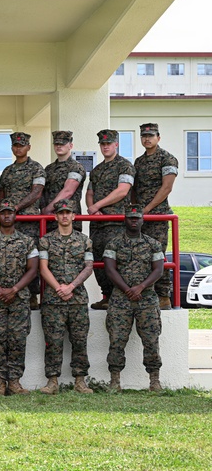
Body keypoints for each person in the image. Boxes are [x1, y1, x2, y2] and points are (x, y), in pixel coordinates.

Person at [0, 199, 40, 395]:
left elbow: (33, 269)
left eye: (10, 212)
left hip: (19, 298)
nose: (6, 216)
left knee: (18, 338)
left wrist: (14, 289)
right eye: (3, 212)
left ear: (15, 215)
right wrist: (0, 290)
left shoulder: (27, 241)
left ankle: (14, 381)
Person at [103, 204, 165, 392]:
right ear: (125, 219)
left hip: (146, 300)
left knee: (151, 340)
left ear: (142, 220)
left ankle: (154, 381)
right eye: (131, 217)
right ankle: (115, 381)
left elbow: (159, 269)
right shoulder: (114, 243)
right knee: (116, 340)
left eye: (137, 217)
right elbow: (109, 269)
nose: (134, 220)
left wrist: (140, 287)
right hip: (120, 300)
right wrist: (127, 289)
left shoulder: (153, 244)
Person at [37, 198, 94, 395]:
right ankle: (52, 381)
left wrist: (71, 286)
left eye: (67, 212)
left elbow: (88, 268)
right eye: (60, 213)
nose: (64, 216)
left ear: (73, 216)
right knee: (53, 340)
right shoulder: (45, 240)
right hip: (53, 300)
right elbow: (43, 268)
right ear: (55, 216)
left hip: (77, 299)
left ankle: (80, 380)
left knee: (79, 340)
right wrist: (59, 288)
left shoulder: (84, 240)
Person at [85, 129, 135, 310]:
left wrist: (97, 206)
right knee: (98, 260)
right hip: (98, 224)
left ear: (116, 144)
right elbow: (89, 192)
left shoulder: (124, 166)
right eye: (102, 144)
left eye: (109, 143)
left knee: (116, 261)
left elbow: (122, 191)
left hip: (116, 223)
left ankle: (119, 297)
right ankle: (106, 295)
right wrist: (92, 210)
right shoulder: (97, 170)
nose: (105, 147)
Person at [0, 131, 45, 308]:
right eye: (15, 146)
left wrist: (17, 208)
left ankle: (32, 295)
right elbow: (2, 191)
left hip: (29, 220)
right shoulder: (8, 171)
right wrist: (3, 206)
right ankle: (11, 291)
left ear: (28, 147)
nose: (18, 148)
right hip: (10, 222)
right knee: (9, 257)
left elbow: (36, 192)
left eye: (22, 145)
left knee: (30, 257)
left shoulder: (36, 168)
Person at [133, 123, 178, 310]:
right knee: (140, 254)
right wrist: (136, 209)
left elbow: (166, 188)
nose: (147, 139)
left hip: (158, 216)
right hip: (140, 217)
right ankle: (144, 292)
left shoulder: (167, 159)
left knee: (158, 254)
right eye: (144, 136)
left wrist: (148, 209)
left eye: (150, 135)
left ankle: (163, 296)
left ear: (158, 137)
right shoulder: (139, 162)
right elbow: (134, 189)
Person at [41, 130, 86, 233]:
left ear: (70, 145)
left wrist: (47, 210)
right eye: (56, 144)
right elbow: (43, 192)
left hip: (69, 220)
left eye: (62, 143)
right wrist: (43, 210)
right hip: (50, 221)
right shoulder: (49, 169)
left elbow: (68, 192)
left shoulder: (76, 167)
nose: (59, 146)